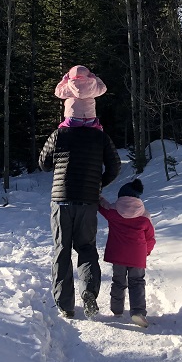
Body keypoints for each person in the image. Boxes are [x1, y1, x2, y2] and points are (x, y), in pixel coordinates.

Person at [39, 116, 121, 320]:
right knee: (86, 248)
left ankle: (66, 305)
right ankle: (89, 292)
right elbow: (115, 166)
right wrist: (98, 184)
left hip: (61, 200)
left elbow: (43, 163)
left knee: (62, 249)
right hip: (87, 201)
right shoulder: (100, 136)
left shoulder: (59, 134)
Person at [99, 178, 155, 328]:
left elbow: (101, 206)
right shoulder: (144, 216)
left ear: (121, 196)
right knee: (137, 282)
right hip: (137, 255)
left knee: (118, 281)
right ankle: (138, 312)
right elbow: (150, 238)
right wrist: (146, 252)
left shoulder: (112, 211)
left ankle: (117, 309)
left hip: (118, 255)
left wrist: (97, 195)